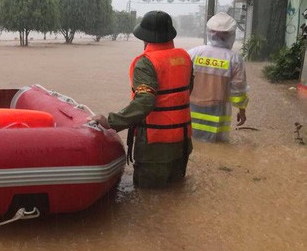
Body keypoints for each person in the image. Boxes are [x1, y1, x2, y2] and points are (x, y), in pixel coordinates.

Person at [90, 11, 193, 188]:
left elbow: (145, 101)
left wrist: (111, 122)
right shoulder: (184, 58)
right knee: (174, 192)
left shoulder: (146, 63)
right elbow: (186, 91)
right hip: (182, 141)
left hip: (155, 144)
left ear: (145, 37)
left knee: (148, 197)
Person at [188, 11, 248, 142]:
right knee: (216, 146)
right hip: (218, 112)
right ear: (231, 35)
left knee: (193, 143)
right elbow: (238, 90)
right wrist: (242, 110)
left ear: (209, 32)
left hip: (191, 109)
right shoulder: (234, 59)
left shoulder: (192, 53)